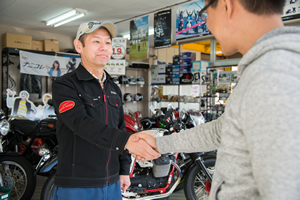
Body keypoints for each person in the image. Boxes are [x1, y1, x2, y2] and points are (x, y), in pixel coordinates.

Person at [134, 0, 300, 199]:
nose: (208, 25)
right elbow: (220, 130)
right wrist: (161, 144)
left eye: (205, 14)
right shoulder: (269, 69)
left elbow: (285, 189)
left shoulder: (271, 76)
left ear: (226, 6)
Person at [51, 21, 160, 200]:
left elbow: (120, 128)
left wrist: (124, 170)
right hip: (78, 183)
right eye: (96, 42)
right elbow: (80, 123)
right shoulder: (65, 85)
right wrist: (128, 141)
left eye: (108, 43)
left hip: (111, 183)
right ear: (79, 46)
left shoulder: (113, 87)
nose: (104, 47)